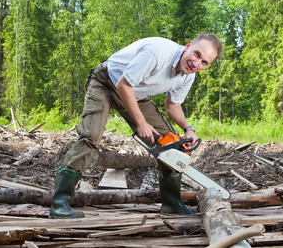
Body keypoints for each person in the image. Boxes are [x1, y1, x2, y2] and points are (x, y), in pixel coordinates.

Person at [49, 32, 223, 218]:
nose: (196, 64)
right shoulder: (158, 53)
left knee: (172, 145)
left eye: (204, 63)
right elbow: (123, 85)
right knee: (91, 136)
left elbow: (172, 105)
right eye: (197, 54)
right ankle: (59, 204)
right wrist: (141, 123)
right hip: (106, 83)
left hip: (135, 95)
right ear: (188, 46)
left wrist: (189, 129)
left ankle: (171, 204)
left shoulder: (188, 76)